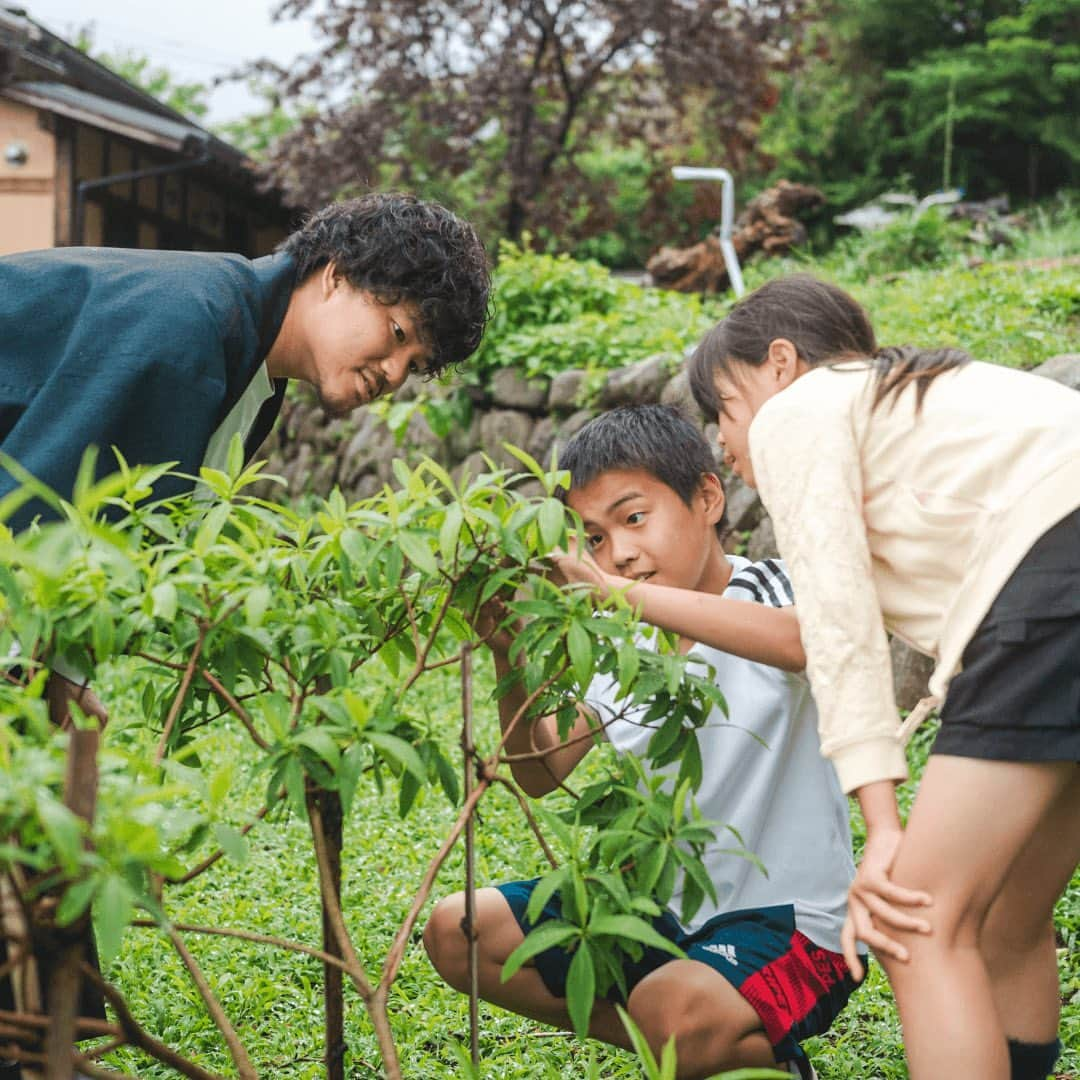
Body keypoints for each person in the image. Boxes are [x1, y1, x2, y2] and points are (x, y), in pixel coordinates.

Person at [686, 273, 1080, 1080]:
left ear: (781, 365)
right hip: (1054, 594)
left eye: (724, 409)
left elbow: (834, 623)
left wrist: (884, 827)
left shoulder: (804, 409)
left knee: (916, 920)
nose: (723, 444)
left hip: (1053, 582)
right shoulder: (925, 408)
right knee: (1007, 918)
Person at [423, 405, 862, 1080]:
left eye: (634, 519)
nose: (620, 553)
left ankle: (707, 1040)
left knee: (671, 1008)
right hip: (654, 910)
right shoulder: (618, 640)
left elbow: (805, 643)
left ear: (708, 498)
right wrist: (509, 656)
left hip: (794, 929)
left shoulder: (767, 589)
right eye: (593, 539)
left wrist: (614, 595)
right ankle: (741, 1056)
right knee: (460, 934)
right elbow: (542, 770)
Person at [0, 191, 491, 723]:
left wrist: (61, 681)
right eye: (398, 333)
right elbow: (31, 524)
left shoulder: (250, 368)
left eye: (413, 364)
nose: (395, 374)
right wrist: (29, 684)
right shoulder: (187, 330)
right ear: (336, 276)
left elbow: (112, 527)